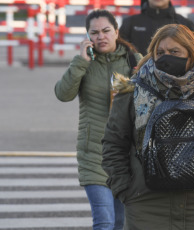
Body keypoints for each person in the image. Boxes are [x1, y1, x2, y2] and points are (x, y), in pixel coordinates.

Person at [102, 24, 194, 230]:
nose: (166, 57)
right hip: (146, 204)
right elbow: (113, 144)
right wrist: (125, 189)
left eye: (174, 52)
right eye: (161, 52)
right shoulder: (132, 91)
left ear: (191, 53)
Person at [54, 9, 142, 230]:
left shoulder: (134, 61)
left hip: (126, 154)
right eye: (94, 32)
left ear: (116, 31)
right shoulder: (84, 63)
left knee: (120, 223)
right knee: (104, 222)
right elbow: (63, 94)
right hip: (94, 153)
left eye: (106, 31)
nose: (100, 36)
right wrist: (80, 62)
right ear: (87, 36)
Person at [119, 0, 194, 56]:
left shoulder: (185, 24)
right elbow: (119, 54)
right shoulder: (130, 23)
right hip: (138, 76)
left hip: (177, 78)